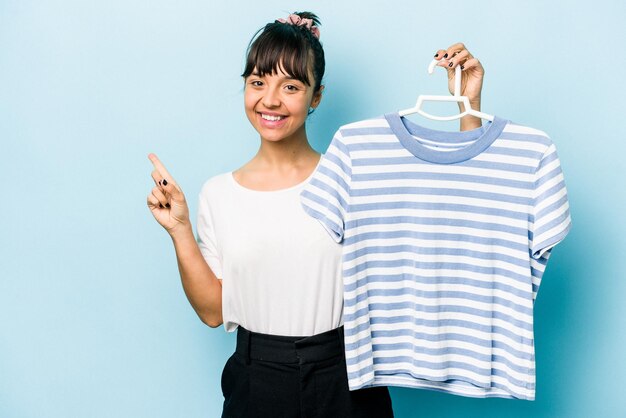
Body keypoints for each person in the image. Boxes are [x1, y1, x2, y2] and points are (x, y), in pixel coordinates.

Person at [146, 11, 486, 418]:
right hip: (256, 379)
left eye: (290, 85)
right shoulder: (218, 193)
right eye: (257, 82)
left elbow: (461, 213)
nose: (269, 100)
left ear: (316, 96)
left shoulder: (354, 175)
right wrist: (180, 229)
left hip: (347, 375)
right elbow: (213, 310)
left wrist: (469, 107)